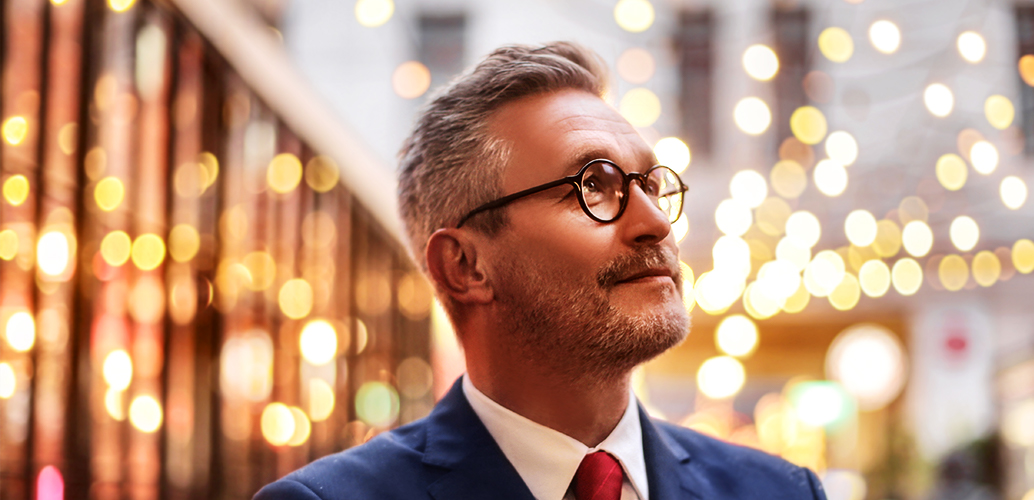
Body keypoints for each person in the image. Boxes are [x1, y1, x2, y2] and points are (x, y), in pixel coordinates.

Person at [256, 41, 826, 500]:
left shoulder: (780, 490)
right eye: (593, 186)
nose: (654, 221)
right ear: (465, 265)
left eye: (650, 185)